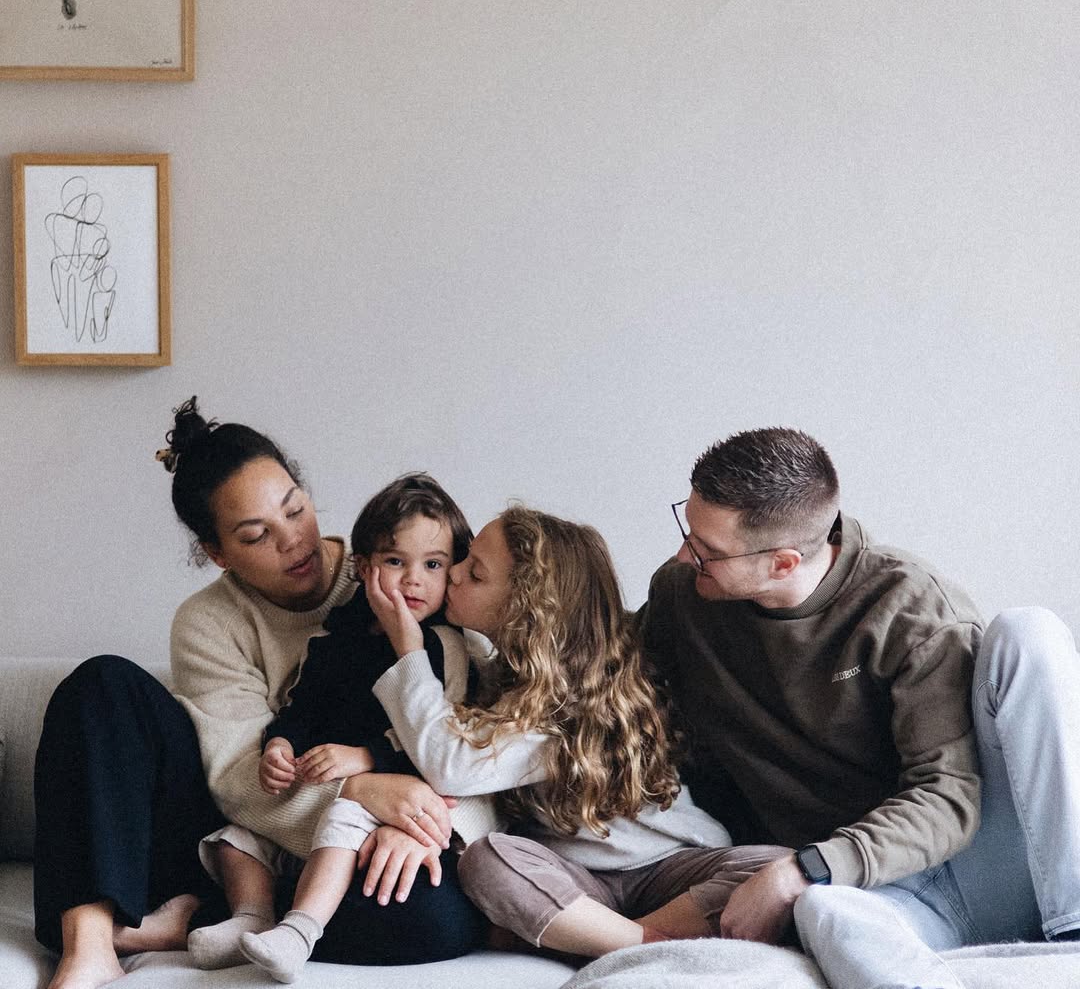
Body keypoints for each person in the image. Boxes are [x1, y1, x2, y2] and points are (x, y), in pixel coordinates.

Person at [32, 399, 485, 989]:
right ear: (217, 554)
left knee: (431, 917)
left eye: (295, 510)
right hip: (235, 839)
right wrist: (361, 788)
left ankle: (208, 922)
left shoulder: (399, 573)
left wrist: (426, 822)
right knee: (101, 685)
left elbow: (487, 733)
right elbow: (236, 780)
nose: (292, 542)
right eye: (255, 536)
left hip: (354, 847)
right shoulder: (208, 622)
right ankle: (91, 945)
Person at [638, 426, 1080, 988]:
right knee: (822, 911)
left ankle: (1072, 935)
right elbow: (597, 674)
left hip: (987, 853)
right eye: (688, 530)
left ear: (782, 562)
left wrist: (807, 868)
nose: (684, 554)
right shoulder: (684, 597)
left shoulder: (908, 609)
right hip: (885, 890)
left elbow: (947, 796)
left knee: (1028, 632)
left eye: (708, 551)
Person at [363, 505, 788, 960]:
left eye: (476, 573)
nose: (454, 573)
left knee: (778, 867)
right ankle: (627, 941)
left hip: (668, 868)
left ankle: (619, 940)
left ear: (524, 610)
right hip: (574, 880)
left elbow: (452, 766)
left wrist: (407, 648)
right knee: (488, 859)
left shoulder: (567, 700)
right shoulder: (495, 667)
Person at [230, 473, 496, 983]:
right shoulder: (332, 643)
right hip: (314, 797)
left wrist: (368, 757)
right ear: (363, 567)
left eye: (434, 565)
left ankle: (299, 933)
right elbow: (300, 708)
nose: (414, 579)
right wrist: (280, 745)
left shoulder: (446, 647)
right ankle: (250, 918)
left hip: (389, 803)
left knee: (346, 818)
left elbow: (446, 736)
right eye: (396, 561)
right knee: (233, 837)